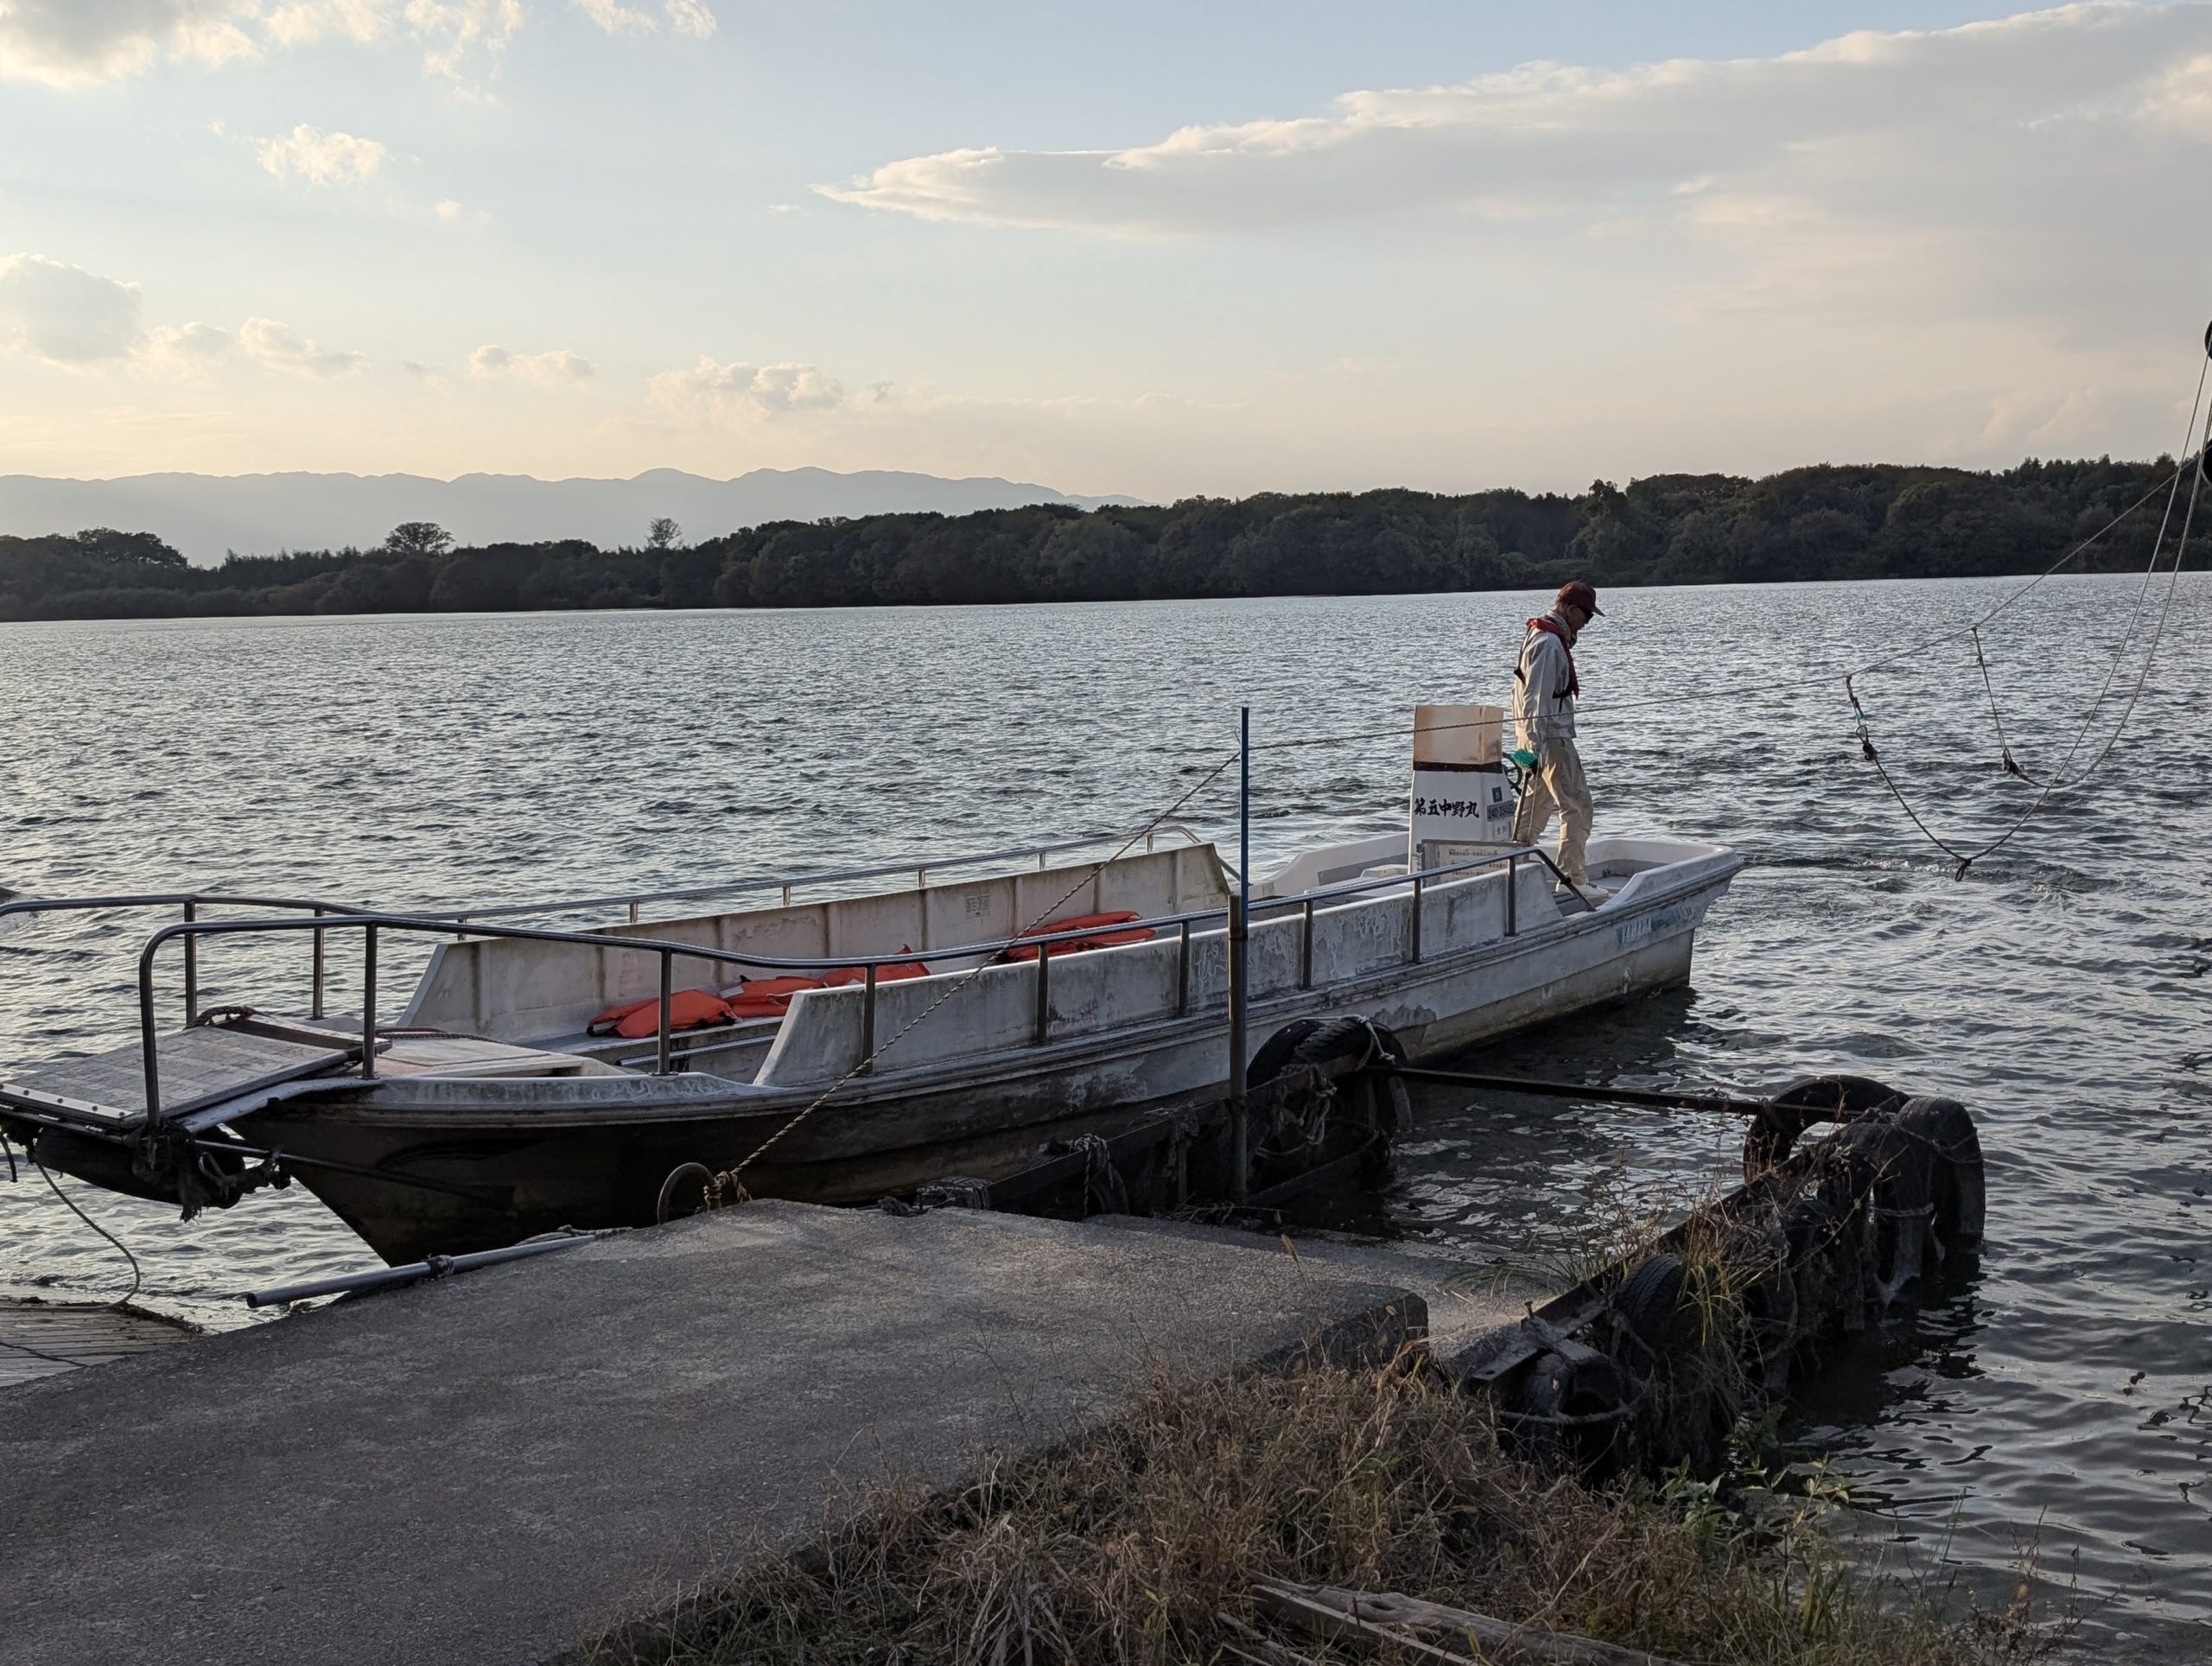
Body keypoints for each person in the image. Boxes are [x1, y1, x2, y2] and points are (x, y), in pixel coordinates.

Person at [1509, 579, 1603, 890]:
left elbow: (1522, 696)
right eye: (1586, 616)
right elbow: (1535, 697)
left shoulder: (1539, 633)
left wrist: (1526, 749)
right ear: (1570, 609)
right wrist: (1534, 749)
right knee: (1578, 805)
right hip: (1548, 738)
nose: (1587, 623)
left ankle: (1511, 866)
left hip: (1528, 737)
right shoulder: (1549, 643)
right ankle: (1573, 879)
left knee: (1536, 803)